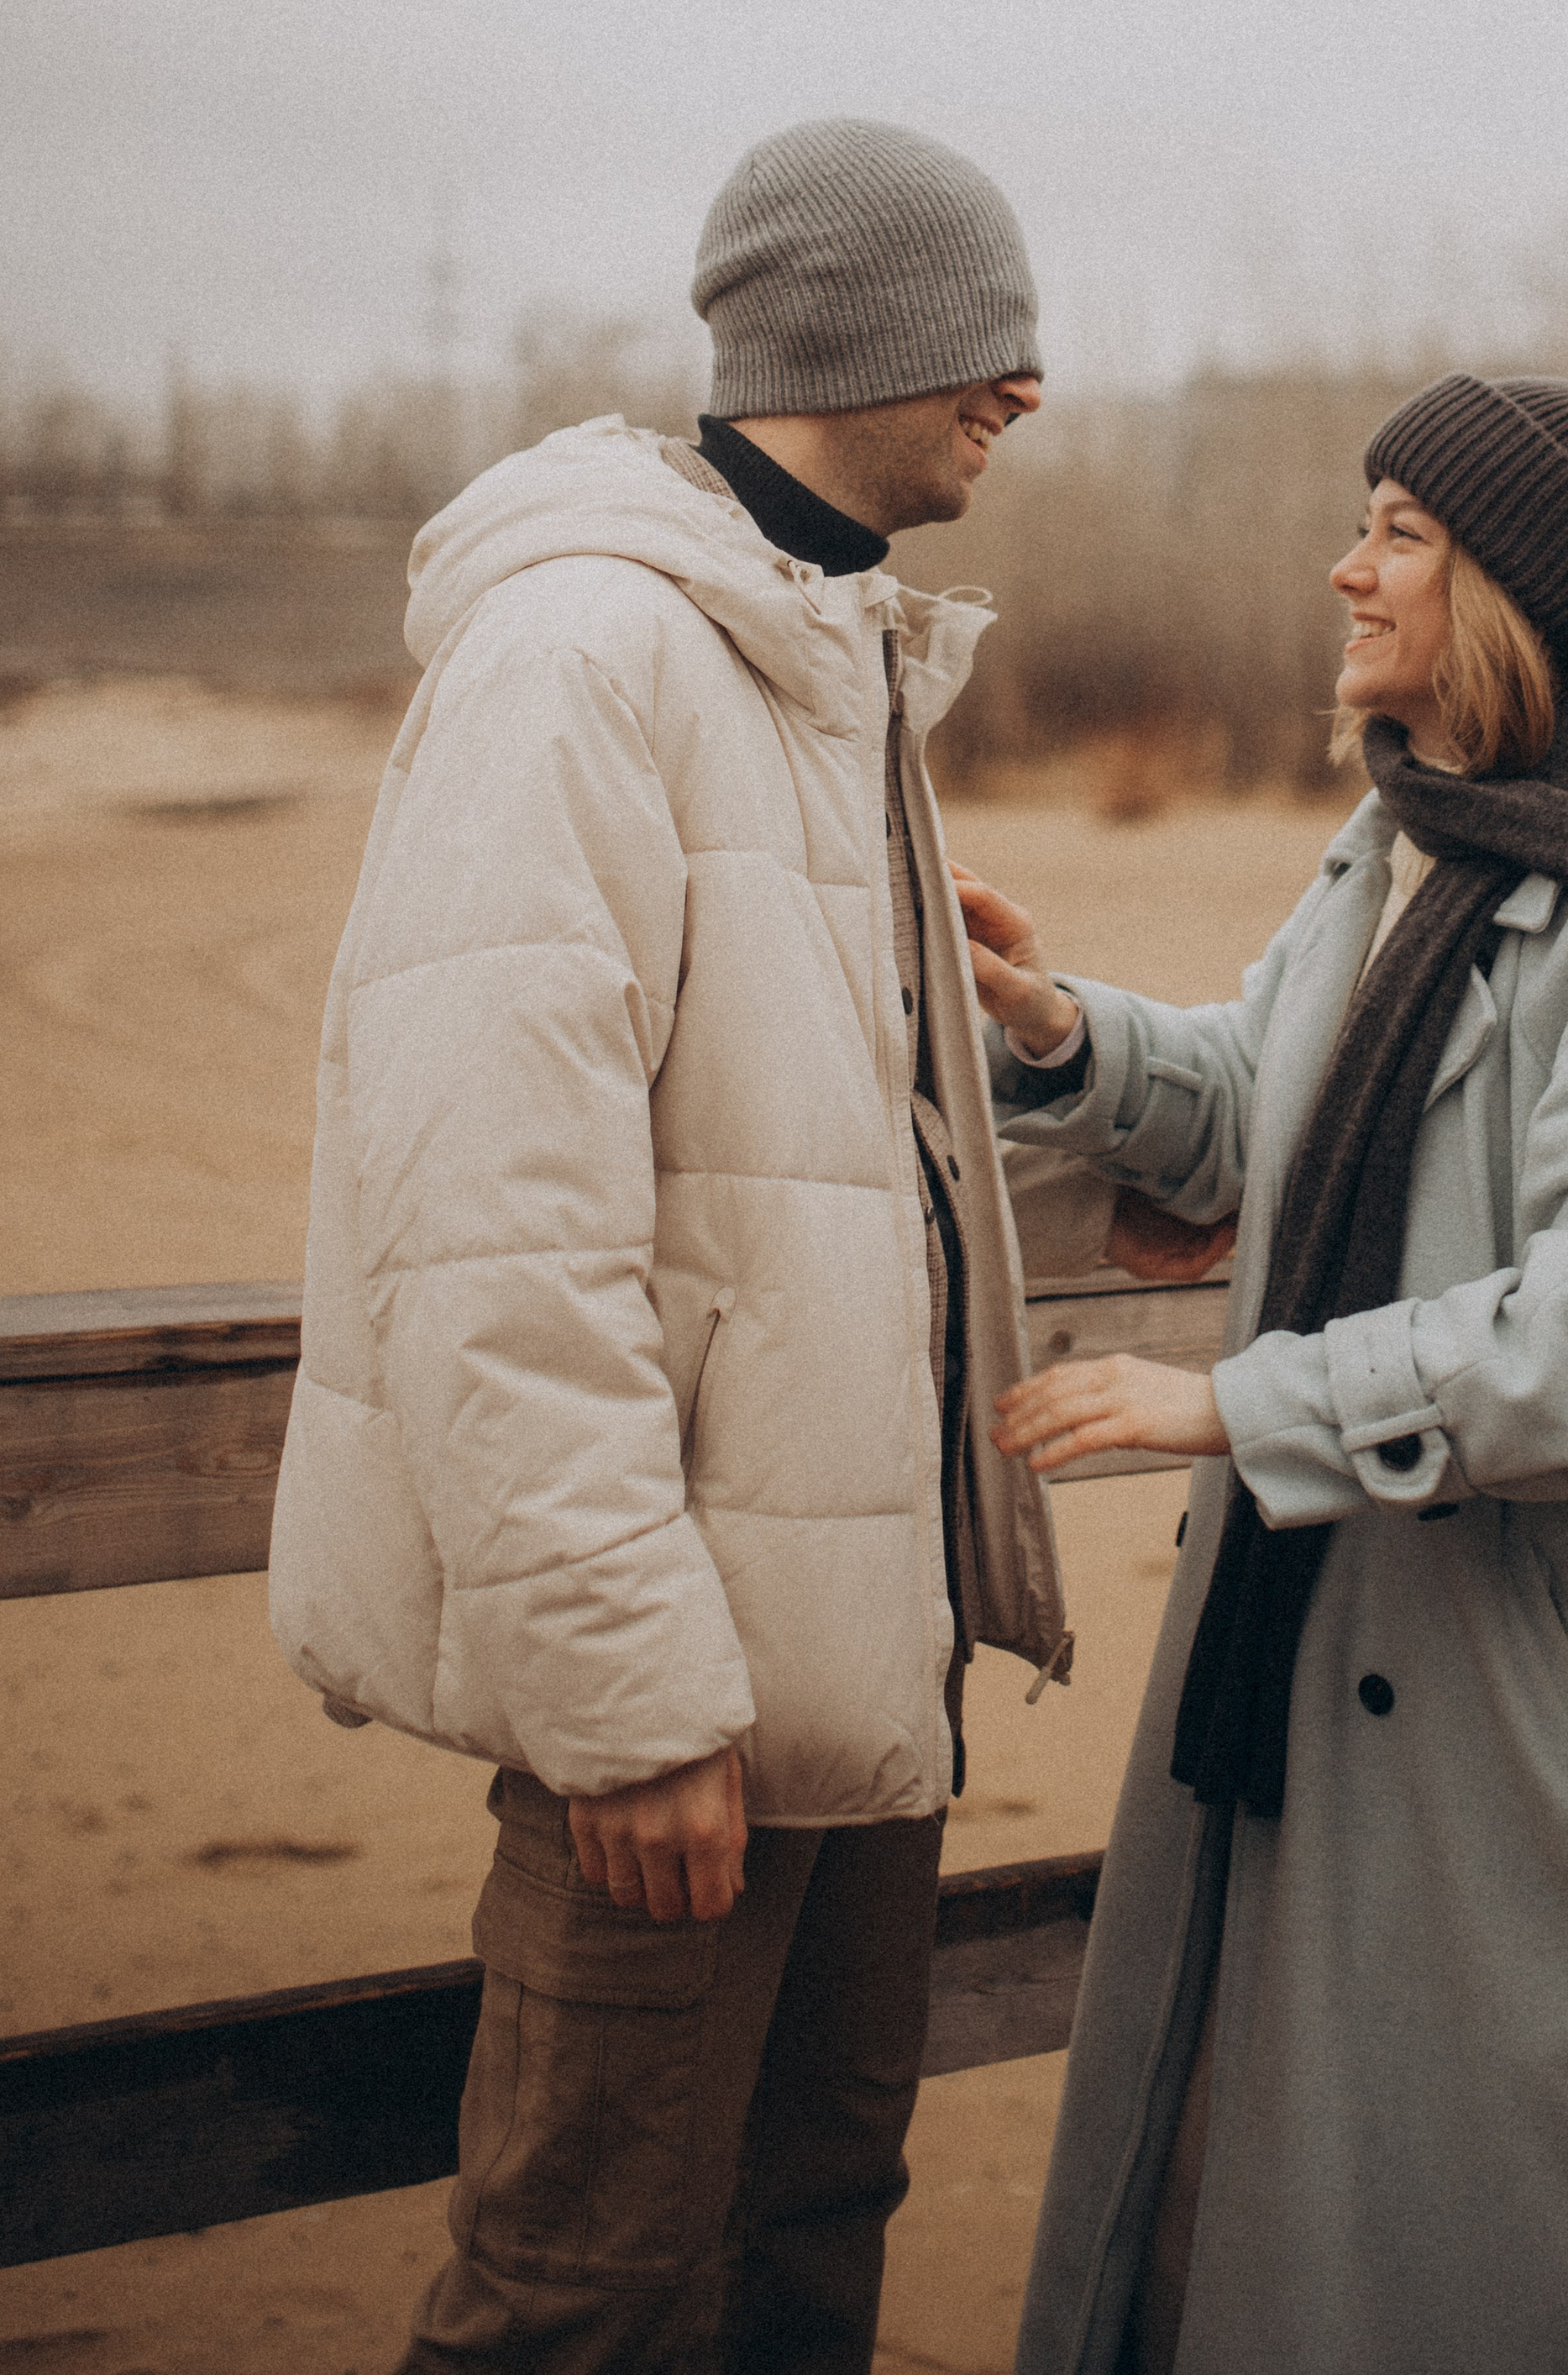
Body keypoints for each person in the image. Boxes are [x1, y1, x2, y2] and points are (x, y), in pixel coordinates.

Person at [958, 373, 1568, 2375]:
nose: (1345, 562)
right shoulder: (1405, 838)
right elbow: (1260, 1107)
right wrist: (1058, 1037)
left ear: (1504, 590)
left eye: (1397, 527)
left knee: (1459, 2278)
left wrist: (1241, 1401)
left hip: (1518, 1743)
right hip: (1333, 1680)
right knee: (1268, 2249)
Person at [268, 118, 1074, 2375]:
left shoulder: (826, 666)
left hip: (853, 1666)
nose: (1027, 390)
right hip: (682, 1696)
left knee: (806, 2246)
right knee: (583, 2300)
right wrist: (627, 1703)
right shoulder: (584, 661)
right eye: (989, 345)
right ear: (856, 338)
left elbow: (807, 1174)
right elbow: (493, 1231)